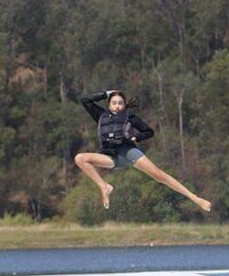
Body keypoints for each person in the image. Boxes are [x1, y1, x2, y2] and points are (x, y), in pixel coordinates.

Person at [74, 89, 212, 212]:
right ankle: (104, 186)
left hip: (128, 151)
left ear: (124, 105)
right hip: (111, 157)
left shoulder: (130, 117)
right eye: (114, 103)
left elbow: (148, 131)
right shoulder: (100, 115)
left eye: (120, 103)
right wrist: (107, 93)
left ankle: (195, 198)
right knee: (80, 158)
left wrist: (136, 138)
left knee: (159, 175)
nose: (117, 106)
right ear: (109, 104)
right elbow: (85, 100)